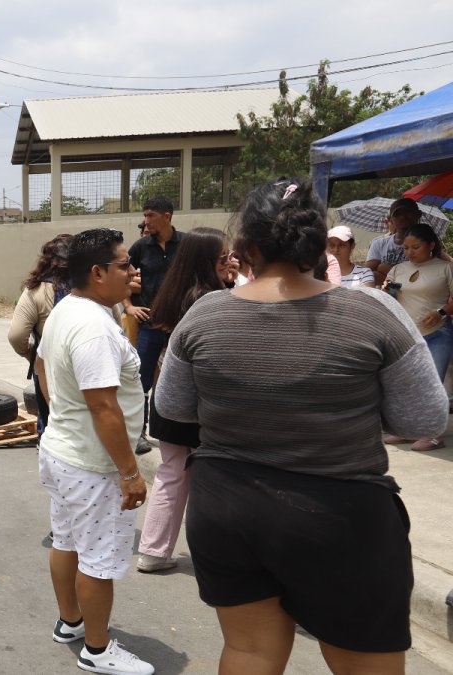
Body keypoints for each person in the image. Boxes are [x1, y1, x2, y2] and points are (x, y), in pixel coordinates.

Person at [155, 178, 446, 675]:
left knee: (249, 650)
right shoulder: (373, 311)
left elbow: (173, 407)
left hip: (227, 508)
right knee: (364, 660)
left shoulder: (206, 313)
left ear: (246, 248)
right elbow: (424, 419)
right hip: (340, 515)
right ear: (318, 247)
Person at [32, 228, 152, 675]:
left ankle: (71, 623)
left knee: (66, 541)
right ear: (98, 273)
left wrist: (62, 412)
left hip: (64, 452)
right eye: (124, 264)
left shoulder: (68, 308)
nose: (133, 271)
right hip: (92, 465)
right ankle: (98, 651)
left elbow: (42, 364)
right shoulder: (93, 327)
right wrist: (129, 472)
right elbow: (104, 407)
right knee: (98, 559)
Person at [136, 227, 232, 574]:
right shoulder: (208, 298)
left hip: (169, 396)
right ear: (206, 260)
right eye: (223, 257)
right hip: (193, 402)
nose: (230, 262)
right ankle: (214, 557)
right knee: (208, 480)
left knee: (171, 473)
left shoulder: (178, 289)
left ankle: (153, 551)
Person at [383, 223, 453, 451]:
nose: (409, 252)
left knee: (433, 383)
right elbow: (391, 297)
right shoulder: (398, 269)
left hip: (437, 333)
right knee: (405, 383)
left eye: (415, 247)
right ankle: (407, 430)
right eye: (406, 248)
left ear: (431, 245)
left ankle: (433, 433)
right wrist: (387, 291)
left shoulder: (446, 268)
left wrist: (441, 312)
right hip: (407, 334)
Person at [123, 196, 180, 455]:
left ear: (167, 216)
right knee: (140, 380)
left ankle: (177, 434)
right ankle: (138, 434)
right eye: (144, 216)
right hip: (151, 325)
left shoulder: (186, 244)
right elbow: (121, 275)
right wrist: (129, 306)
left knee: (179, 380)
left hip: (181, 326)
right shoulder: (141, 247)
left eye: (150, 216)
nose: (146, 221)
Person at [7, 234, 72, 433]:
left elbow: (16, 336)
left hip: (49, 365)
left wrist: (31, 355)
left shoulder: (36, 290)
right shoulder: (93, 286)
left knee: (52, 419)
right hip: (87, 363)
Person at [366, 197, 421, 286]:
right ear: (391, 219)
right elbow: (367, 273)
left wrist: (383, 267)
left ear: (418, 214)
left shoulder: (426, 245)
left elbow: (419, 277)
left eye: (407, 212)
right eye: (397, 214)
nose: (402, 217)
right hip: (382, 294)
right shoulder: (379, 244)